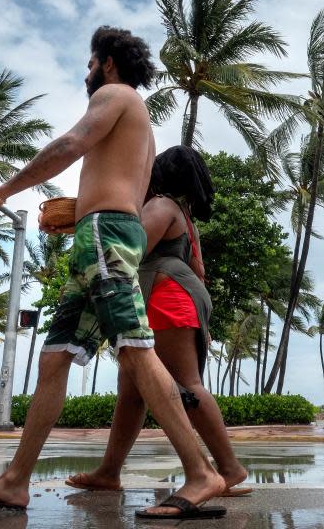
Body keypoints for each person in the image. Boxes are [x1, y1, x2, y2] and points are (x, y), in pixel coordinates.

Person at [0, 27, 226, 520]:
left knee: (136, 350)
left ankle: (202, 474)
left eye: (90, 63)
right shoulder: (138, 121)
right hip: (99, 235)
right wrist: (80, 213)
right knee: (54, 359)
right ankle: (14, 482)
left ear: (108, 63)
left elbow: (71, 143)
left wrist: (1, 194)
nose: (87, 73)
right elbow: (121, 188)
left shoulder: (116, 95)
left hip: (105, 236)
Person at [64, 146, 251, 497]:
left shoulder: (161, 206)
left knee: (187, 384)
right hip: (176, 298)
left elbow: (129, 251)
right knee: (132, 392)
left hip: (166, 299)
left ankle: (229, 468)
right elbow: (200, 272)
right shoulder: (184, 217)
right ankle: (109, 471)